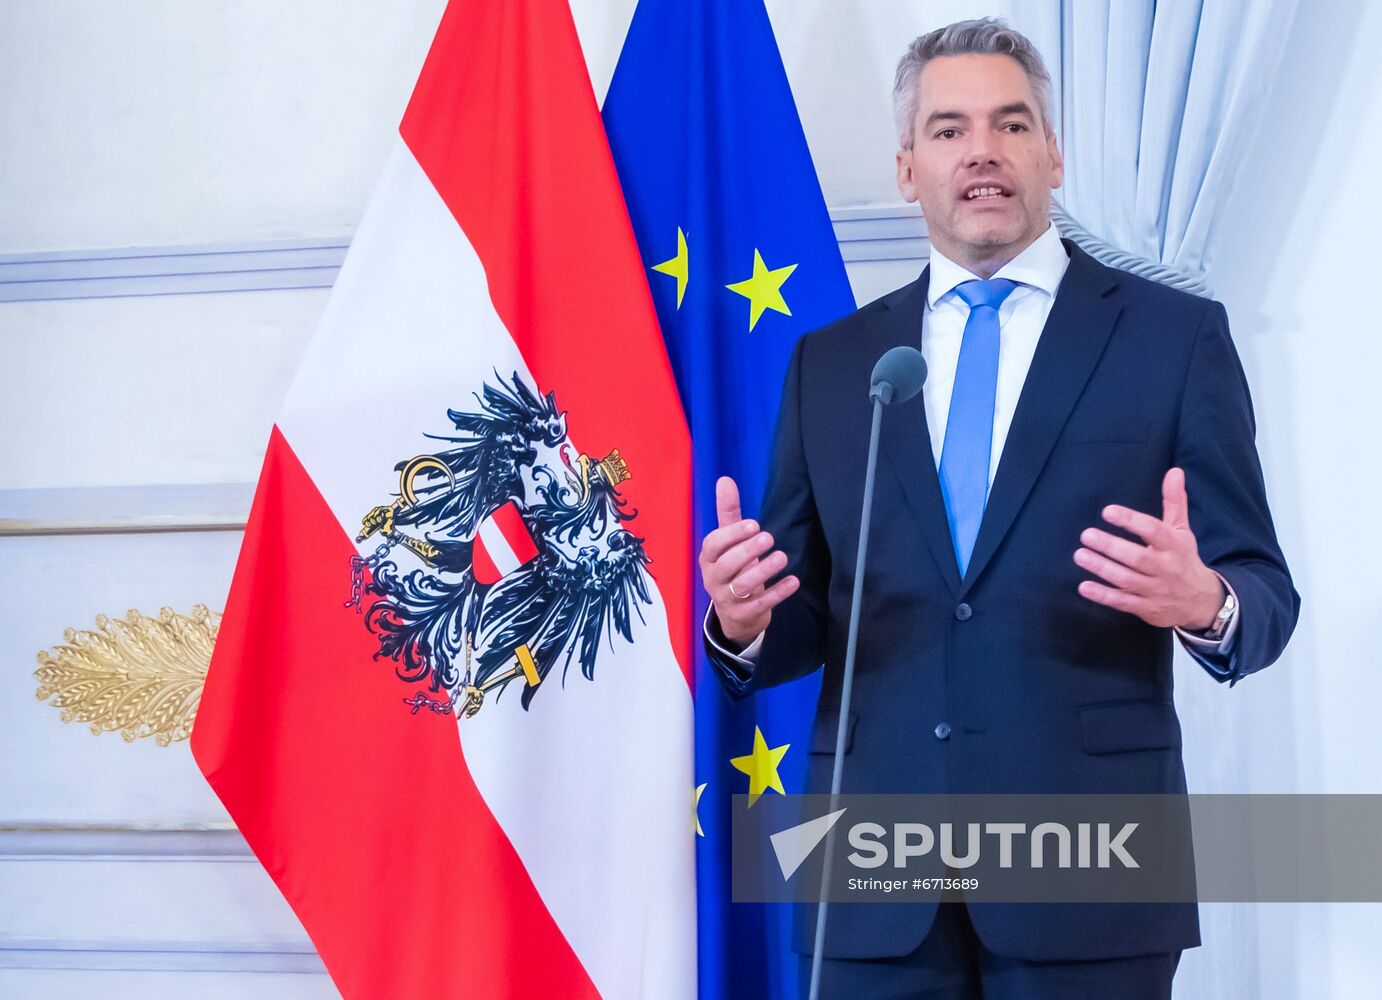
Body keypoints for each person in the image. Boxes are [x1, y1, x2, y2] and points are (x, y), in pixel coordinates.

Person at [698, 17, 1299, 1000]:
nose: (979, 149)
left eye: (1009, 124)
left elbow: (1262, 594)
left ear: (1050, 153)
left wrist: (1205, 602)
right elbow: (806, 624)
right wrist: (741, 619)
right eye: (946, 130)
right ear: (905, 167)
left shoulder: (1170, 339)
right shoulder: (837, 363)